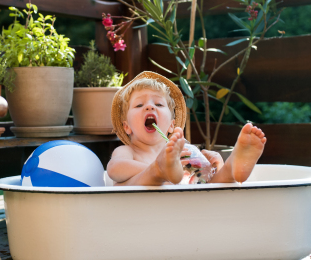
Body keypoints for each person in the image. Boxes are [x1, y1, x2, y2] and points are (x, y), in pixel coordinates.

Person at [107, 71, 267, 186]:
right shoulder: (129, 151)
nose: (149, 107)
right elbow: (114, 168)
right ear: (127, 126)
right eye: (139, 105)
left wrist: (213, 165)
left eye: (159, 104)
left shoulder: (179, 149)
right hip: (145, 208)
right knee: (127, 184)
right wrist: (160, 168)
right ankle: (156, 172)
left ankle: (231, 169)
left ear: (171, 125)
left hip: (187, 205)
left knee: (211, 183)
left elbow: (199, 178)